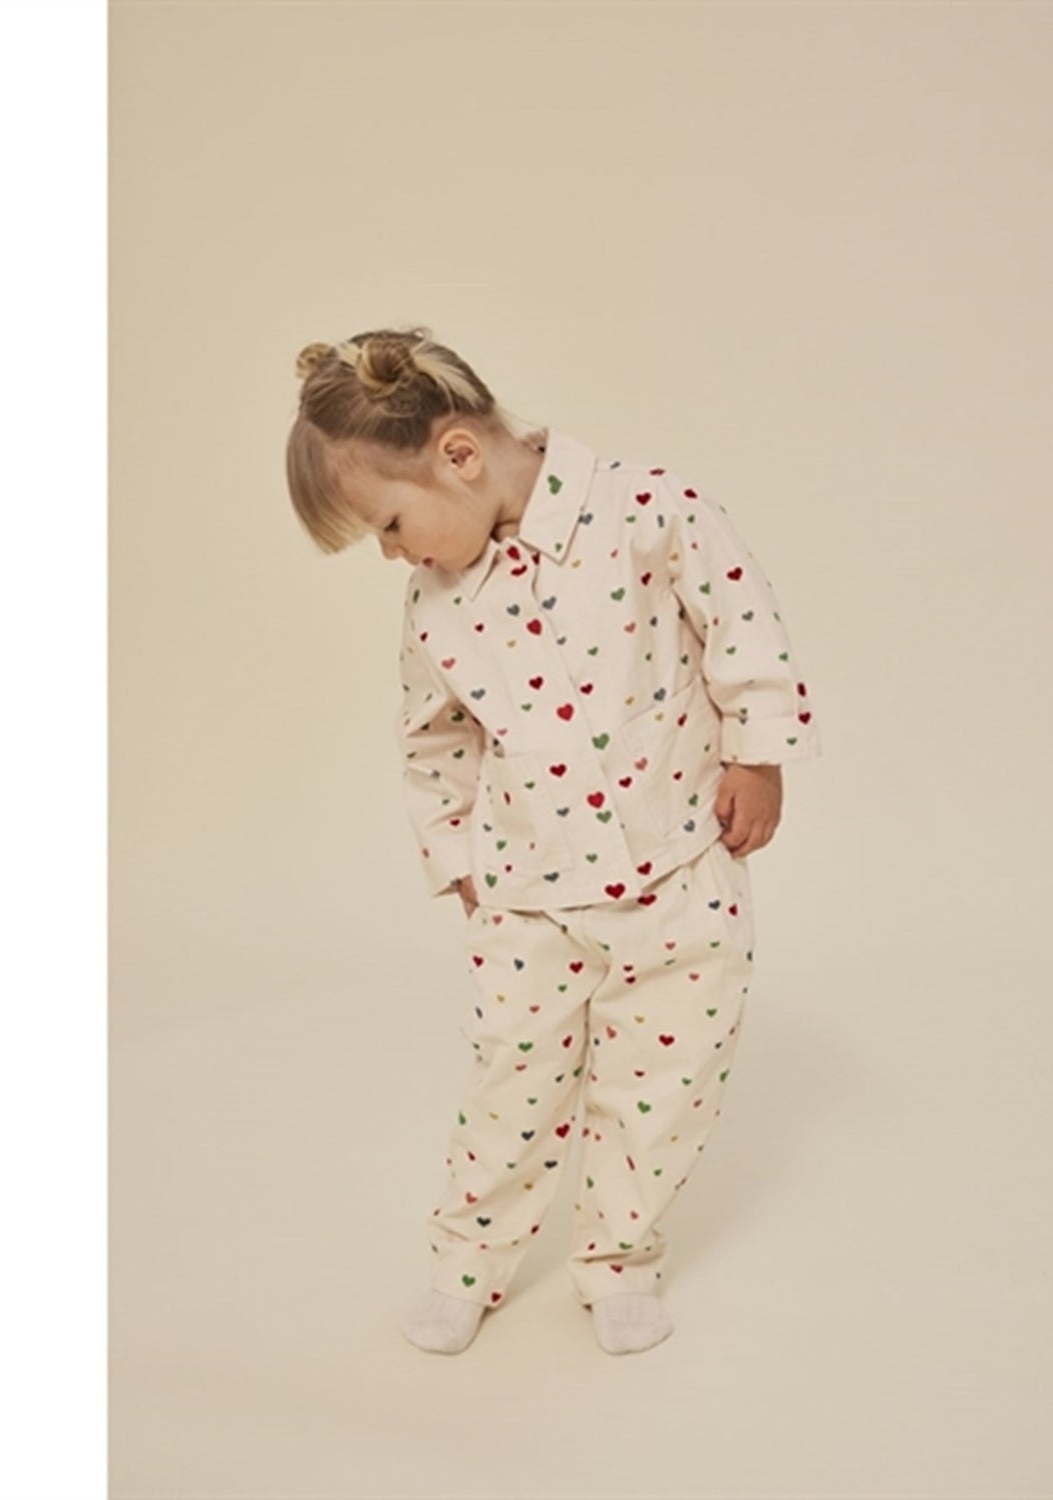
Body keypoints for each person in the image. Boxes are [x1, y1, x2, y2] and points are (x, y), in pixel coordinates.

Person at [285, 325, 821, 1355]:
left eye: (390, 525)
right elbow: (433, 737)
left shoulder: (650, 511)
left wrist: (759, 757)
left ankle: (619, 1259)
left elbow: (742, 624)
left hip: (680, 873)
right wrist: (459, 858)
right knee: (511, 1085)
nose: (394, 553)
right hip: (528, 895)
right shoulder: (438, 606)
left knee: (663, 1084)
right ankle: (465, 1263)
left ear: (457, 455)